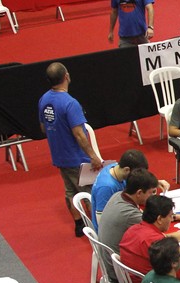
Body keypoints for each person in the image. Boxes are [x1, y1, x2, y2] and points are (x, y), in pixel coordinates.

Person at [38, 62, 104, 236]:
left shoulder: (43, 100)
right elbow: (80, 135)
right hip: (76, 157)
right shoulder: (70, 103)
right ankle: (98, 229)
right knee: (88, 192)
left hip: (59, 154)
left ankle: (78, 225)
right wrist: (93, 156)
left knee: (70, 190)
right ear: (66, 76)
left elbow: (44, 128)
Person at [119, 195, 180, 281]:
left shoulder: (132, 229)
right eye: (170, 216)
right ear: (159, 219)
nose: (171, 219)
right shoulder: (158, 242)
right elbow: (178, 274)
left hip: (129, 280)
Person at [96, 168, 159, 253]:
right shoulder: (130, 214)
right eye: (151, 192)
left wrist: (174, 216)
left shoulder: (117, 195)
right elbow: (158, 231)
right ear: (139, 193)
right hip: (117, 263)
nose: (153, 196)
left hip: (108, 254)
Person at [91, 148, 151, 226]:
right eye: (136, 175)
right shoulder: (106, 187)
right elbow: (101, 221)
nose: (137, 178)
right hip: (112, 227)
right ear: (127, 170)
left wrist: (152, 183)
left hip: (122, 212)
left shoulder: (116, 166)